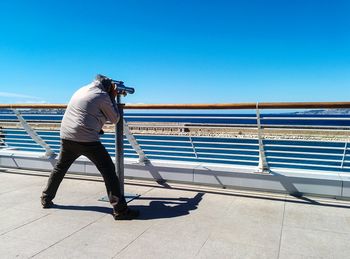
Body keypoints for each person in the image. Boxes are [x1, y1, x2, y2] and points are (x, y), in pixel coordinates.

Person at [41, 74, 139, 220]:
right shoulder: (102, 95)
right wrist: (112, 96)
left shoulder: (82, 89)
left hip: (67, 136)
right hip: (86, 139)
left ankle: (46, 198)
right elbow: (115, 119)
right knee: (108, 170)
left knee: (60, 168)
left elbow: (87, 111)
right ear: (108, 87)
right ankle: (120, 210)